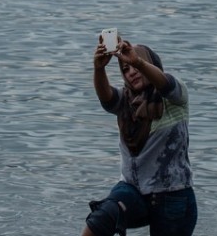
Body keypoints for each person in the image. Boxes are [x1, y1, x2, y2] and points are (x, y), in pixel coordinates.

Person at [81, 35, 197, 236]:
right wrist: (98, 68)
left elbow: (165, 83)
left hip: (173, 197)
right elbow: (106, 97)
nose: (131, 72)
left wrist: (137, 61)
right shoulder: (125, 102)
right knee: (100, 221)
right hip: (132, 190)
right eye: (125, 69)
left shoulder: (175, 96)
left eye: (134, 67)